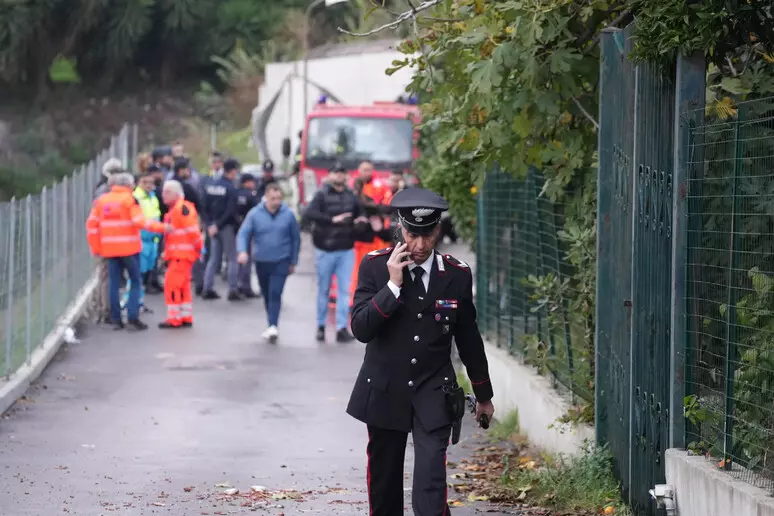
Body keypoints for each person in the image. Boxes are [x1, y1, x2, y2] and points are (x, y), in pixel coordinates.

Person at [346, 187, 496, 516]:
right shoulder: (375, 267)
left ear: (437, 231)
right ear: (400, 229)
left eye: (426, 236)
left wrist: (483, 395)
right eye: (412, 235)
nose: (419, 245)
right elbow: (360, 328)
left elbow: (468, 337)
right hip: (385, 388)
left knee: (430, 482)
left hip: (433, 389)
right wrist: (393, 286)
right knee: (384, 484)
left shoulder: (456, 274)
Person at [86, 171, 169, 331]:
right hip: (130, 249)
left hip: (109, 250)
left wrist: (96, 247)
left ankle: (116, 319)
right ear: (128, 185)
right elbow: (141, 222)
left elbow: (91, 226)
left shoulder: (101, 201)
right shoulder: (130, 200)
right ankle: (132, 317)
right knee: (136, 281)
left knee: (113, 283)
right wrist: (163, 228)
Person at [303, 162, 364, 343]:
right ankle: (321, 326)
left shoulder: (351, 196)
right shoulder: (321, 195)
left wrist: (361, 220)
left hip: (345, 248)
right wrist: (332, 220)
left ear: (346, 176)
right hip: (325, 248)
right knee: (323, 289)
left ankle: (341, 328)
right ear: (330, 176)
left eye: (342, 172)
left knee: (345, 291)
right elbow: (309, 213)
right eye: (336, 172)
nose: (339, 175)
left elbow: (360, 213)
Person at [236, 183, 300, 342]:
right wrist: (242, 251)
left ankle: (273, 325)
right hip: (262, 260)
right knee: (266, 293)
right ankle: (270, 321)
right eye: (273, 198)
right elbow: (244, 233)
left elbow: (295, 239)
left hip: (281, 260)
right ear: (266, 197)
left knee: (275, 292)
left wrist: (293, 261)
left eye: (279, 198)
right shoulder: (255, 214)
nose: (276, 201)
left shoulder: (288, 215)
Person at [158, 180, 203, 329]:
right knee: (183, 287)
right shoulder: (179, 208)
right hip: (181, 255)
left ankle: (174, 319)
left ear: (177, 194)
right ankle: (185, 316)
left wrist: (199, 249)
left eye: (167, 192)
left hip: (180, 256)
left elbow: (193, 233)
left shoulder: (180, 209)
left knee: (172, 286)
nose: (163, 195)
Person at [121, 173, 161, 312]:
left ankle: (139, 301)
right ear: (139, 183)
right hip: (141, 240)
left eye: (151, 182)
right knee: (136, 274)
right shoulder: (136, 198)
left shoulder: (152, 197)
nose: (149, 185)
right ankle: (128, 302)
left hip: (152, 240)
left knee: (144, 274)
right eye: (145, 182)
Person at [201, 158, 240, 300]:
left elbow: (204, 206)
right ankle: (233, 290)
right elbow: (230, 210)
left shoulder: (211, 185)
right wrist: (218, 225)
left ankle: (207, 287)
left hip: (212, 227)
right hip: (226, 227)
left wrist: (209, 224)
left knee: (213, 258)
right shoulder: (230, 188)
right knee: (231, 258)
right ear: (233, 171)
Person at [235, 173, 260, 298]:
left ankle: (236, 286)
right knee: (247, 260)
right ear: (247, 182)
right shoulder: (250, 195)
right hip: (247, 230)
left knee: (236, 260)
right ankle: (246, 287)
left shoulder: (235, 192)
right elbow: (259, 209)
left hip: (234, 228)